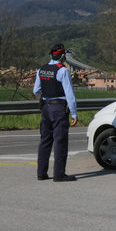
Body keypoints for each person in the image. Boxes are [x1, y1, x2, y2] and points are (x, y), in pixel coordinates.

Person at [33, 43, 78, 182]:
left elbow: (36, 91)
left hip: (45, 108)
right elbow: (69, 94)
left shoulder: (41, 70)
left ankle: (41, 173)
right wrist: (74, 113)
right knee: (60, 141)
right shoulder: (62, 70)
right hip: (58, 108)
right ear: (62, 56)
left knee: (45, 141)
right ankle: (59, 174)